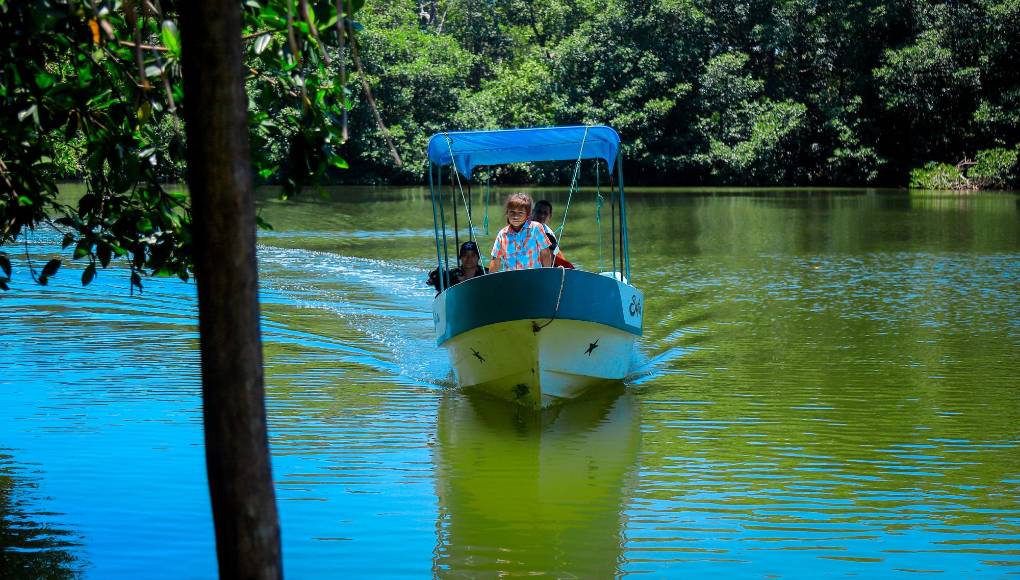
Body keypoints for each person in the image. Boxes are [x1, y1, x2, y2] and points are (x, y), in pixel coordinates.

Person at [489, 192, 552, 272]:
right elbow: (495, 261)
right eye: (512, 212)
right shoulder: (502, 234)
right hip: (511, 280)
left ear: (528, 215)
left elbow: (545, 254)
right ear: (507, 213)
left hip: (534, 278)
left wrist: (547, 274)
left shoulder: (536, 228)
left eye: (520, 213)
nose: (516, 216)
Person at [531, 199, 575, 269]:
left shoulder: (549, 233)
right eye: (539, 212)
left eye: (545, 213)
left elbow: (555, 253)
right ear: (533, 212)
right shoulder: (523, 226)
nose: (542, 215)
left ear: (550, 216)